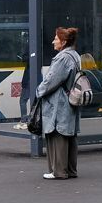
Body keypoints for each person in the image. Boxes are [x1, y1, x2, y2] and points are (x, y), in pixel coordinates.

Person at [34, 26, 82, 180]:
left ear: (64, 41)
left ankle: (58, 171)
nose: (53, 41)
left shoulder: (62, 58)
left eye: (56, 38)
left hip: (59, 102)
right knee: (69, 135)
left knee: (57, 134)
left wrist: (39, 91)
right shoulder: (75, 55)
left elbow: (51, 81)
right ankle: (70, 170)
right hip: (70, 100)